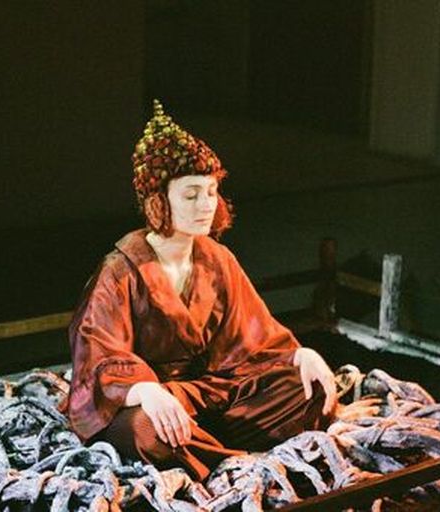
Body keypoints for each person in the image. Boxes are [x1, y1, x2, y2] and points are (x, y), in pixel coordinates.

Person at [68, 100, 336, 480]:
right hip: (151, 399)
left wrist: (299, 355)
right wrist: (145, 390)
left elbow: (256, 336)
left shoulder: (217, 259)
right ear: (159, 200)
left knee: (307, 389)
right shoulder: (120, 270)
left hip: (207, 392)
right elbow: (98, 356)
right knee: (145, 430)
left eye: (211, 191)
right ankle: (232, 458)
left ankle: (204, 448)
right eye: (191, 194)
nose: (206, 205)